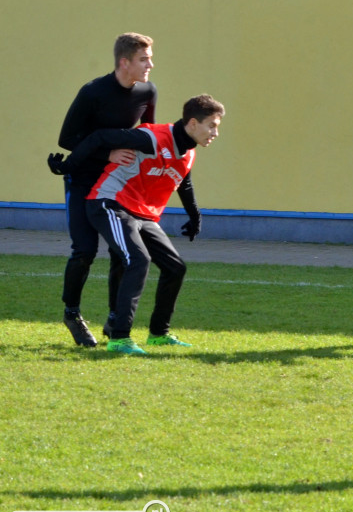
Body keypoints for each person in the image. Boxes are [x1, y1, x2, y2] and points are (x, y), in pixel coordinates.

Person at [47, 95, 224, 355]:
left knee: (175, 268)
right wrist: (68, 166)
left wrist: (195, 215)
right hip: (110, 203)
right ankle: (119, 338)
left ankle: (159, 334)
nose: (215, 133)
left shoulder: (188, 153)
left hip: (142, 215)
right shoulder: (150, 138)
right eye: (212, 126)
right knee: (138, 260)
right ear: (193, 123)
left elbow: (184, 182)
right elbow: (99, 137)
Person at [56, 33, 194, 348]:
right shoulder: (93, 92)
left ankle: (115, 319)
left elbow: (148, 134)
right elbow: (67, 140)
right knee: (84, 251)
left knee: (124, 252)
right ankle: (72, 314)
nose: (150, 65)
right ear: (124, 62)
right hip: (83, 178)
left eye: (150, 58)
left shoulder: (147, 91)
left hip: (118, 183)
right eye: (144, 59)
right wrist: (107, 154)